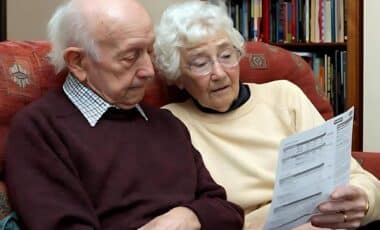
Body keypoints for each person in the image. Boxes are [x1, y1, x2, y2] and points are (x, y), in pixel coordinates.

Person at [4, 0, 245, 229]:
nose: (149, 71)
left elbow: (228, 212)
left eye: (149, 52)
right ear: (78, 62)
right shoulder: (40, 130)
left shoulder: (166, 123)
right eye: (130, 57)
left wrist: (189, 216)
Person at [154, 1, 380, 229]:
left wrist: (363, 198)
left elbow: (356, 176)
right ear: (178, 77)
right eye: (200, 63)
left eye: (226, 55)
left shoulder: (284, 96)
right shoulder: (171, 124)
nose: (219, 73)